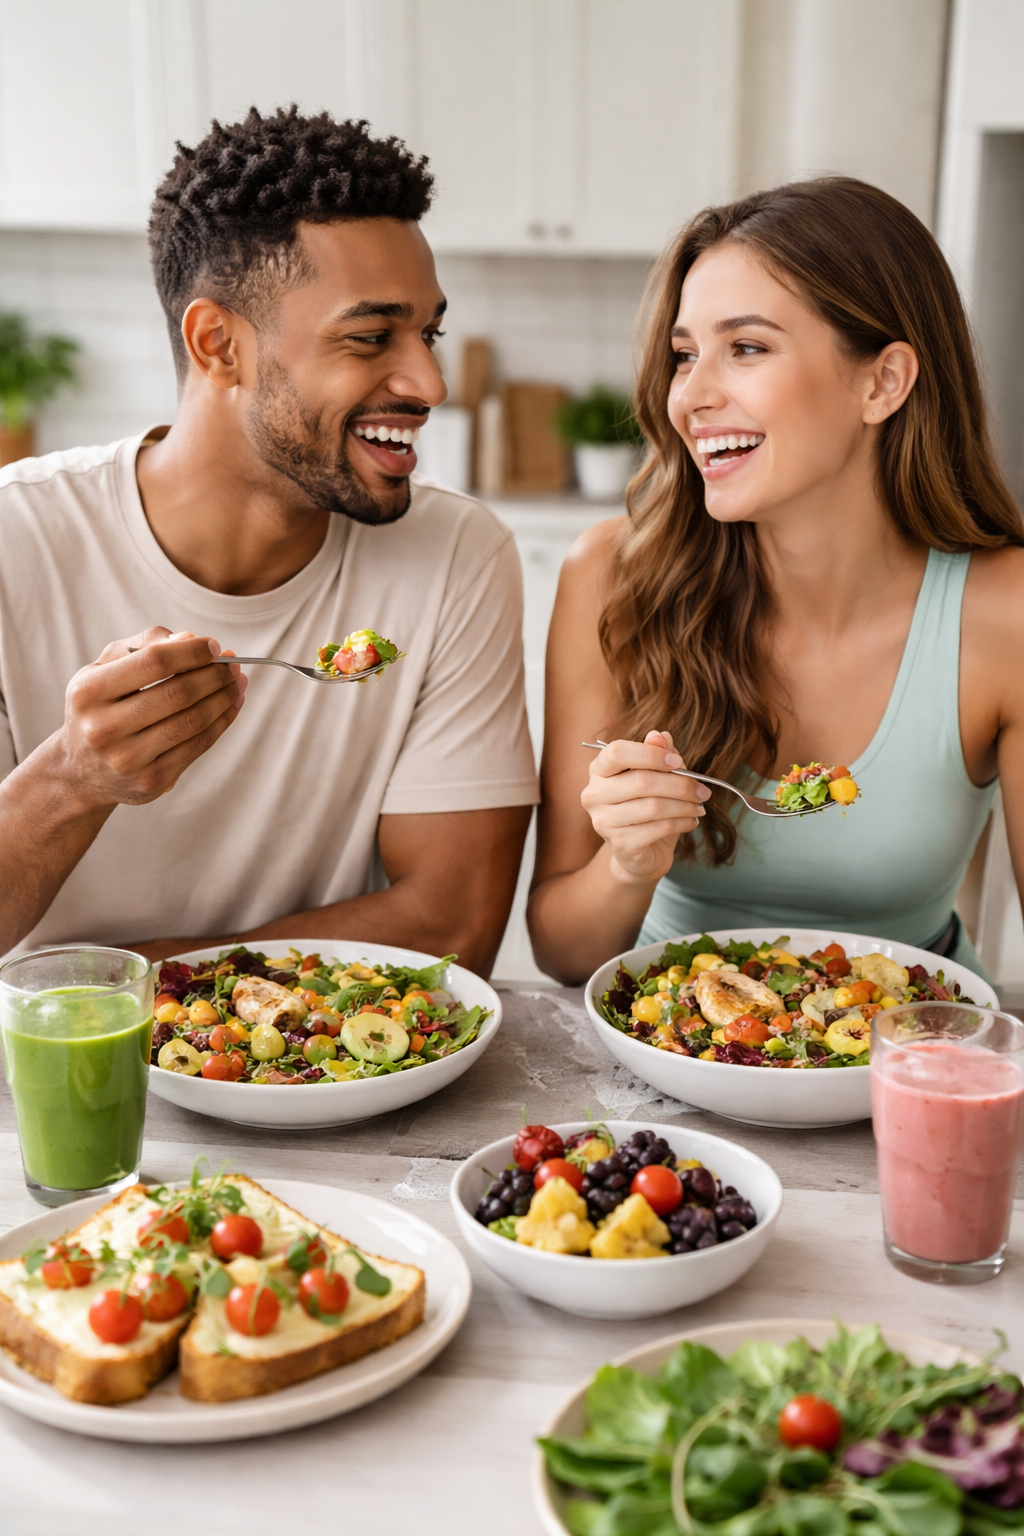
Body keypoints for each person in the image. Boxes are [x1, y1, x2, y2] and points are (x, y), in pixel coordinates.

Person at [0, 109, 537, 972]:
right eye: (371, 337)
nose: (429, 381)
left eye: (427, 333)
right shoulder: (14, 541)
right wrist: (72, 779)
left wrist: (113, 981)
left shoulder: (455, 556)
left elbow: (450, 926)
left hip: (337, 1085)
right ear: (219, 345)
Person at [528, 177, 1024, 985]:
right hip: (675, 1037)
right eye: (684, 355)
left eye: (747, 348)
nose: (690, 395)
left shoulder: (1006, 612)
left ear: (883, 383)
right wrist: (626, 865)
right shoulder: (612, 579)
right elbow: (562, 952)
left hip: (910, 1050)